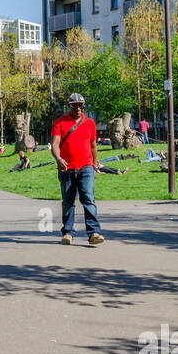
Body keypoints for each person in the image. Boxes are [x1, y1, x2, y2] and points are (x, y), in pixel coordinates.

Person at [50, 93, 104, 246]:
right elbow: (55, 144)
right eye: (75, 105)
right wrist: (58, 158)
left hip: (86, 167)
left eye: (81, 105)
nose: (78, 108)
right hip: (66, 168)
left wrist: (95, 164)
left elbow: (93, 146)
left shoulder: (90, 123)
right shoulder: (60, 122)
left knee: (88, 199)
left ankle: (94, 232)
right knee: (68, 202)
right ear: (69, 106)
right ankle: (68, 232)